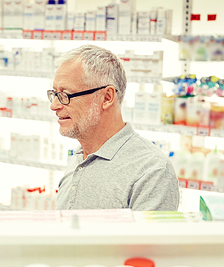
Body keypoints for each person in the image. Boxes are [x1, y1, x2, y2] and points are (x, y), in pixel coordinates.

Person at [48, 45, 179, 211]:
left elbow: (149, 238)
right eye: (54, 94)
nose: (54, 106)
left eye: (65, 95)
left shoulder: (152, 171)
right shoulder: (78, 157)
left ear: (107, 97)